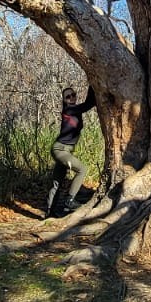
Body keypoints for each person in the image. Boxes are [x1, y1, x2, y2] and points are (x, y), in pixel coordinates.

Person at [46, 82, 97, 217]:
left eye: (73, 95)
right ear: (64, 100)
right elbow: (89, 104)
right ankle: (70, 200)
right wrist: (92, 82)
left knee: (56, 182)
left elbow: (88, 103)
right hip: (60, 150)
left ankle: (49, 213)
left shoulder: (75, 110)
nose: (72, 98)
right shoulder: (69, 110)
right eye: (68, 96)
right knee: (82, 169)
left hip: (64, 151)